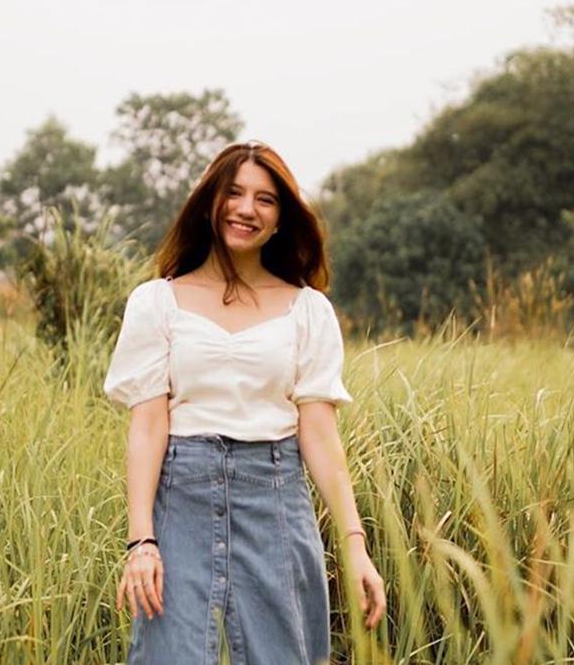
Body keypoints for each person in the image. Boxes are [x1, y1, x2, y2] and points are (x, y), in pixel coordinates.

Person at [102, 140, 386, 664]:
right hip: (180, 497)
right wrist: (141, 543)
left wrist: (354, 542)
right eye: (233, 193)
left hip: (275, 498)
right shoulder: (156, 302)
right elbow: (147, 428)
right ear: (210, 202)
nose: (246, 209)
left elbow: (319, 435)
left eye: (265, 199)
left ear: (281, 218)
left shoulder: (308, 311)